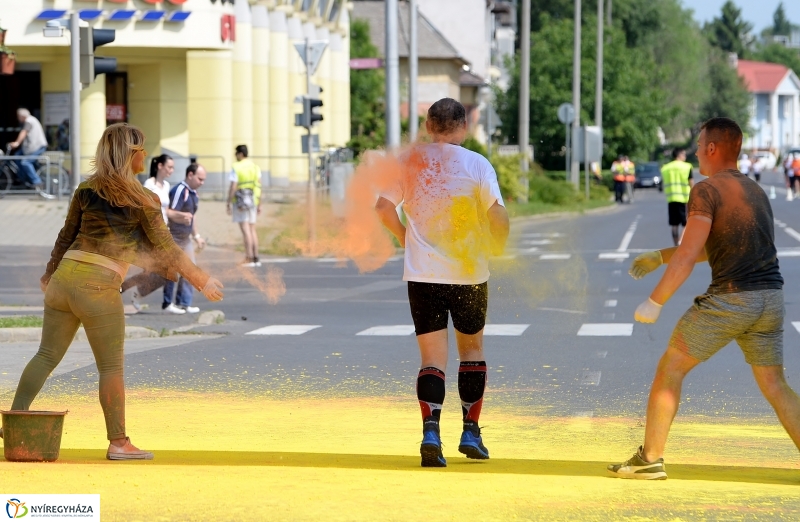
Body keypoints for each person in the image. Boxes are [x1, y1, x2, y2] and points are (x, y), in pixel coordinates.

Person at [0, 123, 224, 460]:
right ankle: (118, 443)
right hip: (98, 285)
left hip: (63, 280)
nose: (145, 155)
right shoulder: (144, 199)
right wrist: (202, 280)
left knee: (46, 356)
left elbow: (66, 236)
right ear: (130, 155)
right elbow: (168, 248)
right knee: (110, 368)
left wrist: (49, 274)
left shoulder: (87, 189)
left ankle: (12, 421)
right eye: (141, 150)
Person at [608, 117, 800, 480]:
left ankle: (650, 459)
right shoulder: (755, 191)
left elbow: (688, 254)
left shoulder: (706, 190)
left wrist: (655, 301)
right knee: (776, 385)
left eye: (699, 145)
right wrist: (659, 255)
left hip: (731, 300)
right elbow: (713, 247)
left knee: (670, 368)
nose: (696, 150)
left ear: (712, 148)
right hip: (770, 300)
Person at [375, 98, 510, 468]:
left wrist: (405, 239)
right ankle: (470, 430)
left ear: (429, 126)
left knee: (432, 358)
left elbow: (383, 208)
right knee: (472, 350)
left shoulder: (409, 161)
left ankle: (430, 431)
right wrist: (496, 247)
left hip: (422, 274)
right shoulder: (477, 164)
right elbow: (497, 215)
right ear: (463, 127)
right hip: (469, 273)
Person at [120, 154, 193, 313]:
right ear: (160, 166)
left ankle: (127, 289)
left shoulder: (166, 185)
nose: (171, 170)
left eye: (173, 168)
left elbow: (166, 211)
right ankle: (166, 304)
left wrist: (182, 217)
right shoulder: (149, 184)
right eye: (169, 167)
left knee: (157, 272)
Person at [162, 163, 208, 314]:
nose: (202, 183)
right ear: (190, 175)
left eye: (204, 180)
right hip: (174, 236)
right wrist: (183, 216)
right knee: (172, 270)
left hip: (185, 238)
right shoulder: (180, 190)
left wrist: (197, 236)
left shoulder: (194, 193)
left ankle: (184, 303)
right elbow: (169, 212)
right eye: (200, 179)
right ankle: (168, 303)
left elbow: (192, 217)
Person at [226, 144, 262, 267]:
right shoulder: (254, 167)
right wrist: (259, 203)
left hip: (241, 199)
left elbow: (233, 185)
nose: (235, 156)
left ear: (240, 154)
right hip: (252, 199)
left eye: (236, 153)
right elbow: (259, 185)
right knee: (252, 229)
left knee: (245, 229)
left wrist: (228, 201)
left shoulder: (236, 167)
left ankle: (249, 257)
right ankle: (256, 256)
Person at [7, 108, 52, 199]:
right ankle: (25, 178)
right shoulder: (32, 120)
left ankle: (37, 182)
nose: (17, 118)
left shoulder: (29, 121)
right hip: (29, 148)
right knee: (16, 157)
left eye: (18, 116)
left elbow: (24, 132)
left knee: (25, 162)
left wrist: (17, 143)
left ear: (22, 116)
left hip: (37, 147)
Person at [660, 148, 694, 246]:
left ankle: (675, 245)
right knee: (687, 222)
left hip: (671, 198)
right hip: (684, 198)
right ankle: (680, 241)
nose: (685, 156)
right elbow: (691, 182)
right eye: (684, 154)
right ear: (679, 155)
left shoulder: (666, 168)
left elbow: (663, 183)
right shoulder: (687, 167)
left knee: (674, 224)